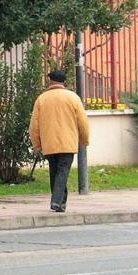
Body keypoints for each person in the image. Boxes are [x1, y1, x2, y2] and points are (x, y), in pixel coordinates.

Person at [28, 70, 90, 213]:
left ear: (50, 81)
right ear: (63, 82)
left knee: (54, 171)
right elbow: (83, 122)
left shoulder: (42, 99)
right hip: (68, 142)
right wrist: (84, 139)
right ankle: (57, 201)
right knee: (62, 172)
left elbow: (34, 125)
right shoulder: (73, 98)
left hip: (49, 143)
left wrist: (36, 143)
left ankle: (60, 202)